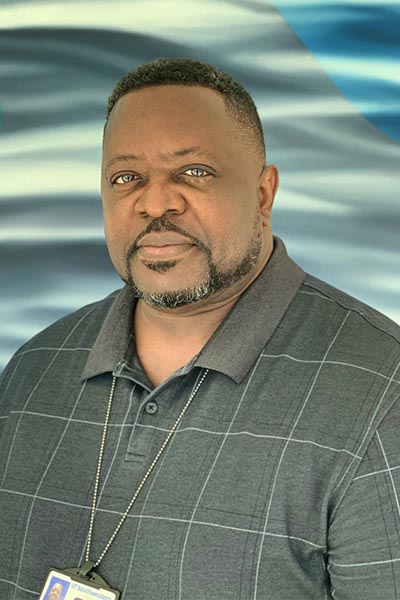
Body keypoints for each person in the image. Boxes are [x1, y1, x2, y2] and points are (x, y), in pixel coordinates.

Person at [0, 58, 399, 600]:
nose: (156, 201)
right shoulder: (30, 371)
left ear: (263, 195)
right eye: (126, 177)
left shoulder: (381, 393)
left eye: (193, 172)